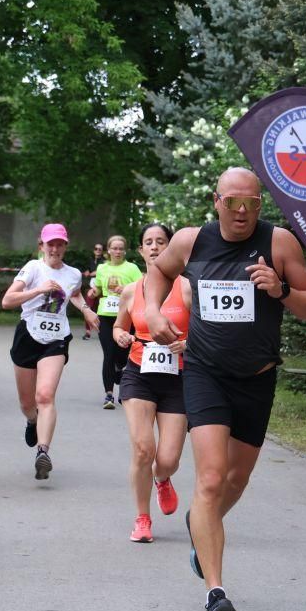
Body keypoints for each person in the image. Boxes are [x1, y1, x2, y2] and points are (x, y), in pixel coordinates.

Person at [146, 167, 306, 611]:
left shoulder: (279, 243)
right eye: (232, 202)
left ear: (260, 205)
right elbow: (158, 272)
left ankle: (201, 526)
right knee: (209, 479)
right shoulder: (191, 241)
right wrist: (151, 310)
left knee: (235, 480)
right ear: (216, 201)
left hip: (257, 380)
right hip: (205, 375)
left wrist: (281, 290)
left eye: (251, 204)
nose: (242, 212)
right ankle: (216, 594)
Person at [111, 224, 190, 543]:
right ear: (141, 251)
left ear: (172, 248)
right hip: (138, 374)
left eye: (161, 242)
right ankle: (142, 518)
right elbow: (119, 327)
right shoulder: (132, 291)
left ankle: (162, 478)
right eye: (149, 242)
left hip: (178, 378)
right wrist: (121, 336)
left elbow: (206, 330)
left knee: (168, 459)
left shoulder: (187, 288)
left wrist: (188, 343)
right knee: (144, 449)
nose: (155, 247)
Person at [2, 224, 99, 480]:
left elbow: (74, 294)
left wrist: (86, 310)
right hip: (28, 335)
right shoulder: (33, 268)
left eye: (60, 244)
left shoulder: (73, 274)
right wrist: (38, 290)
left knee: (45, 395)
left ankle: (42, 453)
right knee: (27, 403)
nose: (55, 248)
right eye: (50, 244)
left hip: (56, 338)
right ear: (41, 246)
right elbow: (7, 300)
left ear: (66, 246)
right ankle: (32, 421)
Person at [94, 235, 142, 409]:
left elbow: (142, 289)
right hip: (105, 315)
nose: (118, 251)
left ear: (125, 251)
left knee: (122, 354)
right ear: (108, 250)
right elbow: (99, 289)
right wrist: (93, 292)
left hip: (126, 316)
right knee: (108, 354)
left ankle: (118, 367)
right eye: (114, 248)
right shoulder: (102, 268)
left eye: (121, 248)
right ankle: (109, 395)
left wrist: (127, 290)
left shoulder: (132, 268)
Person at [81, 242, 105, 340]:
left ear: (102, 251)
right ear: (93, 250)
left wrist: (92, 273)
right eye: (96, 249)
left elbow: (100, 271)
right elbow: (87, 270)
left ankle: (104, 331)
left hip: (101, 288)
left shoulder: (104, 262)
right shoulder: (90, 260)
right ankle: (88, 331)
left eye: (100, 249)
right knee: (88, 308)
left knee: (102, 310)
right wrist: (87, 272)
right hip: (91, 287)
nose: (97, 251)